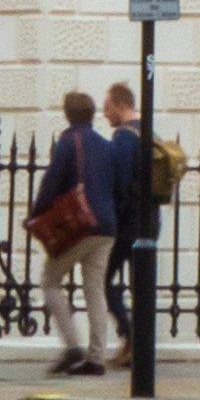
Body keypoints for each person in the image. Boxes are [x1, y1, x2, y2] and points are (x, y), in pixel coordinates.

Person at [29, 88, 121, 376]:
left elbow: (51, 183)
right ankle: (96, 358)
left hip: (82, 224)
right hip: (107, 226)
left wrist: (36, 215)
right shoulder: (106, 146)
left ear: (68, 115)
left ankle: (72, 345)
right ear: (92, 114)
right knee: (95, 289)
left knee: (50, 280)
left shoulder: (70, 142)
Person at [98, 82, 158, 367]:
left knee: (103, 279)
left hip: (128, 222)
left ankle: (130, 336)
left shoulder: (123, 138)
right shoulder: (149, 133)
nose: (105, 113)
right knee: (140, 285)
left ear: (120, 105)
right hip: (150, 221)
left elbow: (118, 184)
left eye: (107, 107)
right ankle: (138, 346)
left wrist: (110, 218)